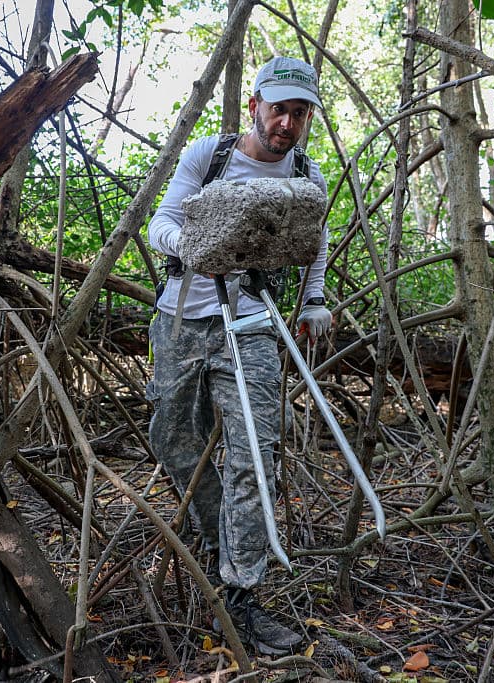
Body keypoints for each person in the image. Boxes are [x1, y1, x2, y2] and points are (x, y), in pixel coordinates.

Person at [145, 56, 332, 656]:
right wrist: (198, 248)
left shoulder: (306, 173)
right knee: (174, 440)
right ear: (255, 104)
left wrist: (315, 300)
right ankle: (214, 535)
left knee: (256, 451)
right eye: (278, 108)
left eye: (299, 112)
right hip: (181, 317)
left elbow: (315, 244)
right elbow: (162, 223)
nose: (286, 122)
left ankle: (241, 590)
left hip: (251, 325)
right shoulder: (211, 156)